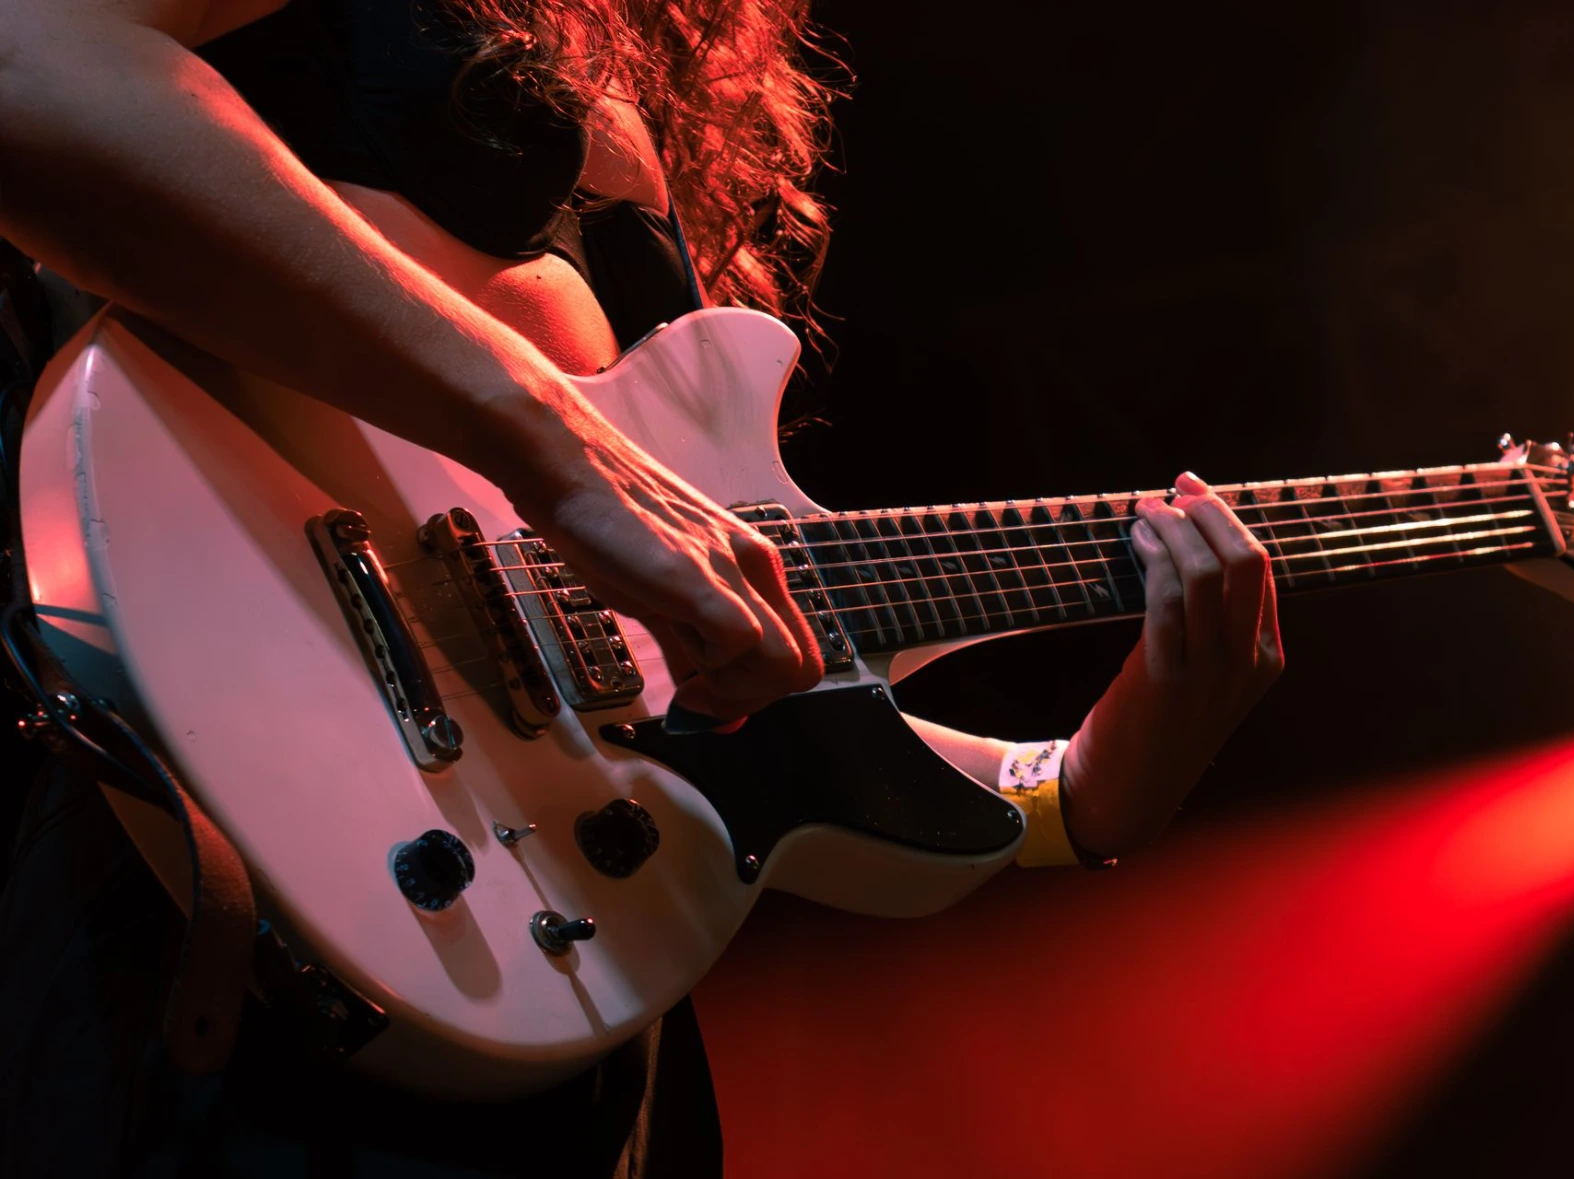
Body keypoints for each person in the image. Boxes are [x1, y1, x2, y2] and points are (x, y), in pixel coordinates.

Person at [0, 0, 1285, 1173]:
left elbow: (667, 675)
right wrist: (561, 450)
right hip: (186, 845)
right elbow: (24, 60)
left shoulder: (649, 60)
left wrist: (1078, 788)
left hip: (539, 965)